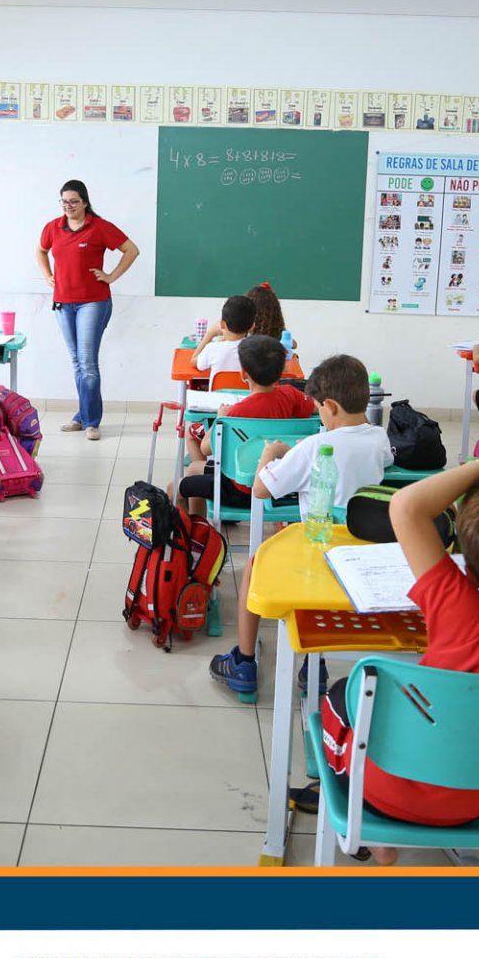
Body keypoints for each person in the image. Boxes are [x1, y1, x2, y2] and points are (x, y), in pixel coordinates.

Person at [299, 458, 479, 854]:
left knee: (338, 697)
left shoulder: (461, 613)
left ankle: (379, 837)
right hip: (473, 802)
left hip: (382, 790)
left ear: (468, 575)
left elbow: (406, 507)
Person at [208, 355, 393, 699]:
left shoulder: (311, 449)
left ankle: (244, 662)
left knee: (255, 565)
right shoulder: (379, 439)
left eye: (320, 407)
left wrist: (272, 454)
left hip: (319, 550)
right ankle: (313, 665)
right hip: (364, 548)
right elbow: (384, 461)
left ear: (331, 406)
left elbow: (263, 489)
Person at [36, 179, 139, 440]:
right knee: (77, 362)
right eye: (64, 201)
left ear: (84, 202)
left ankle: (92, 421)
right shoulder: (53, 227)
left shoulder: (99, 227)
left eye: (73, 201)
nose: (68, 206)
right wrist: (48, 275)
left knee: (88, 363)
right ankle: (82, 416)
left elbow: (131, 250)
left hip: (93, 301)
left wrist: (111, 276)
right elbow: (41, 250)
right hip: (63, 303)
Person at [173, 335, 315, 515]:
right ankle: (200, 531)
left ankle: (197, 534)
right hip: (276, 483)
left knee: (176, 488)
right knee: (194, 468)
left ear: (243, 374)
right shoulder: (291, 395)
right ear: (281, 373)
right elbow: (314, 408)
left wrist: (220, 418)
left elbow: (206, 448)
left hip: (238, 489)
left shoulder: (234, 413)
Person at [193, 295, 257, 378]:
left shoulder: (212, 349)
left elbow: (193, 361)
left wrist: (210, 334)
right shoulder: (255, 351)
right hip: (246, 391)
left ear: (222, 324)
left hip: (218, 391)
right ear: (252, 326)